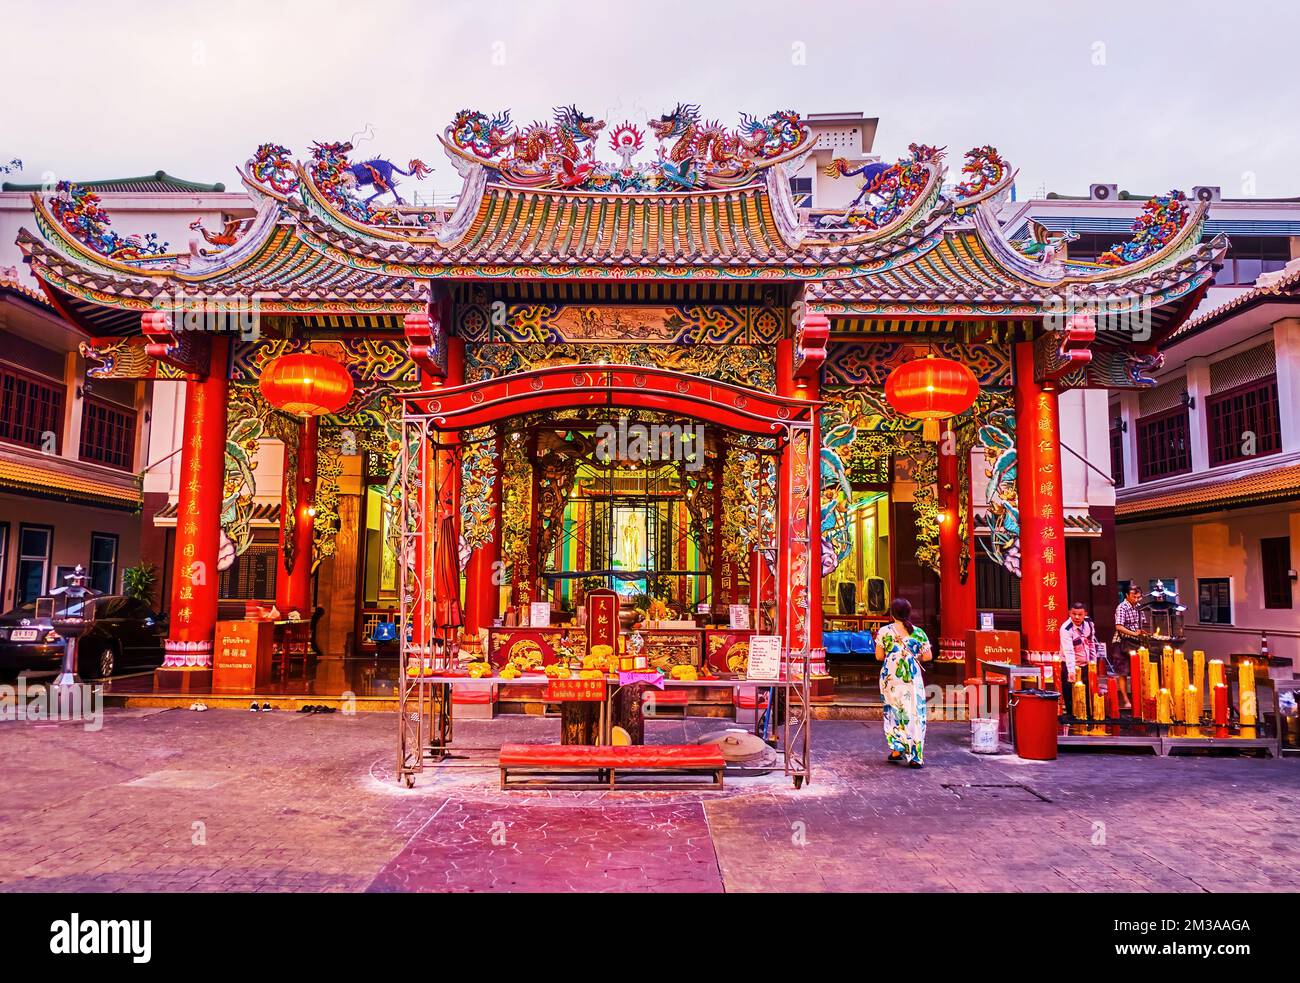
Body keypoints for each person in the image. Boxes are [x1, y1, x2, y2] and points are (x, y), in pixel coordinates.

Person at [875, 597, 931, 768]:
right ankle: (915, 756)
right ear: (909, 612)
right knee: (914, 712)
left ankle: (897, 749)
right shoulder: (919, 632)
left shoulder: (884, 631)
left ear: (892, 613)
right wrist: (912, 657)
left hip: (890, 678)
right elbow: (928, 657)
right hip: (912, 679)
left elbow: (879, 656)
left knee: (893, 711)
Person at [1109, 584, 1144, 710]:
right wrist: (1134, 633)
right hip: (1122, 642)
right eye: (1134, 596)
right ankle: (1125, 698)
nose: (1137, 599)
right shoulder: (1122, 607)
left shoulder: (1139, 607)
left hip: (1136, 642)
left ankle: (1137, 697)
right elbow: (1118, 626)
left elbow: (1141, 624)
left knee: (1137, 671)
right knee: (1122, 672)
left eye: (1139, 597)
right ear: (1127, 595)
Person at [1058, 601, 1096, 676]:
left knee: (1087, 686)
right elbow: (1069, 651)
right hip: (1069, 666)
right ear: (1069, 613)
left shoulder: (1089, 623)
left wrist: (1093, 664)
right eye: (1074, 614)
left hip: (1086, 665)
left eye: (1080, 614)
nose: (1077, 617)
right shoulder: (1066, 629)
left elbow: (1091, 644)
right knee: (1069, 687)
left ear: (1085, 614)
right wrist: (1071, 671)